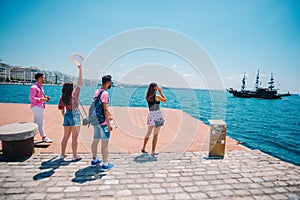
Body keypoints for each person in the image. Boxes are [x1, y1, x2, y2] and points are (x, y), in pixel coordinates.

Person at [58, 65, 82, 161]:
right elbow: (80, 82)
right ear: (71, 89)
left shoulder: (62, 98)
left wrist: (65, 116)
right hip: (74, 115)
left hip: (67, 115)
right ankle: (74, 155)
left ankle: (62, 154)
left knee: (65, 137)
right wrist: (80, 69)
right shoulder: (75, 95)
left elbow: (61, 109)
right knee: (75, 138)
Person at [91, 75, 114, 171]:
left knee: (95, 140)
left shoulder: (97, 91)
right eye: (111, 83)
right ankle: (105, 164)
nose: (111, 85)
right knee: (105, 143)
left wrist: (110, 113)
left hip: (96, 120)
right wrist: (108, 123)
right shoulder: (105, 93)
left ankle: (94, 160)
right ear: (108, 82)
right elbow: (105, 108)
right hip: (103, 122)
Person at [141, 83, 167, 156]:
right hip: (158, 116)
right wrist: (161, 92)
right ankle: (153, 151)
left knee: (148, 133)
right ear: (155, 88)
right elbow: (165, 100)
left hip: (151, 115)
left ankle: (143, 148)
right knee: (155, 134)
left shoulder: (148, 97)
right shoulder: (157, 97)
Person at [30, 72, 53, 143]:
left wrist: (45, 98)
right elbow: (32, 98)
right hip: (37, 106)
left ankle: (31, 136)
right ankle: (44, 137)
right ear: (40, 78)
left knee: (36, 122)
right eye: (43, 77)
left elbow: (39, 96)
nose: (44, 79)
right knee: (41, 122)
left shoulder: (40, 86)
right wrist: (42, 99)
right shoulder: (34, 87)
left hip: (40, 106)